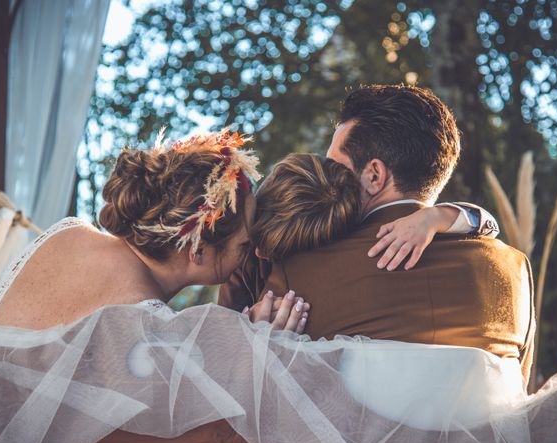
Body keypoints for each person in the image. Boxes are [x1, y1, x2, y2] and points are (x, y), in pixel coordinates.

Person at [219, 84, 536, 389]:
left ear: (373, 175)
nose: (328, 177)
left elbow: (242, 390)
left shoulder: (297, 269)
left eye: (335, 166)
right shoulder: (515, 270)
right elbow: (517, 398)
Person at [0, 130, 308, 331]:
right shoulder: (145, 323)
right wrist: (253, 349)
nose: (254, 252)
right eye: (245, 244)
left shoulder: (67, 234)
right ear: (198, 251)